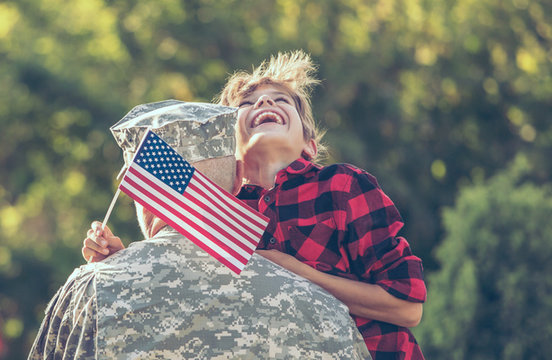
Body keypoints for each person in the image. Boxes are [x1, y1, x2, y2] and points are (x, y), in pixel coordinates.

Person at [85, 51, 428, 360]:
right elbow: (181, 295)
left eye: (281, 100)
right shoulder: (217, 212)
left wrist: (291, 270)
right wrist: (122, 262)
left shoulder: (344, 185)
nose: (264, 102)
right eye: (248, 103)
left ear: (308, 144)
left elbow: (406, 306)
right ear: (228, 147)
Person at [36, 101, 371, 359]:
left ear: (135, 185)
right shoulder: (322, 308)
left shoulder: (90, 290)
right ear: (240, 176)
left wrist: (112, 277)